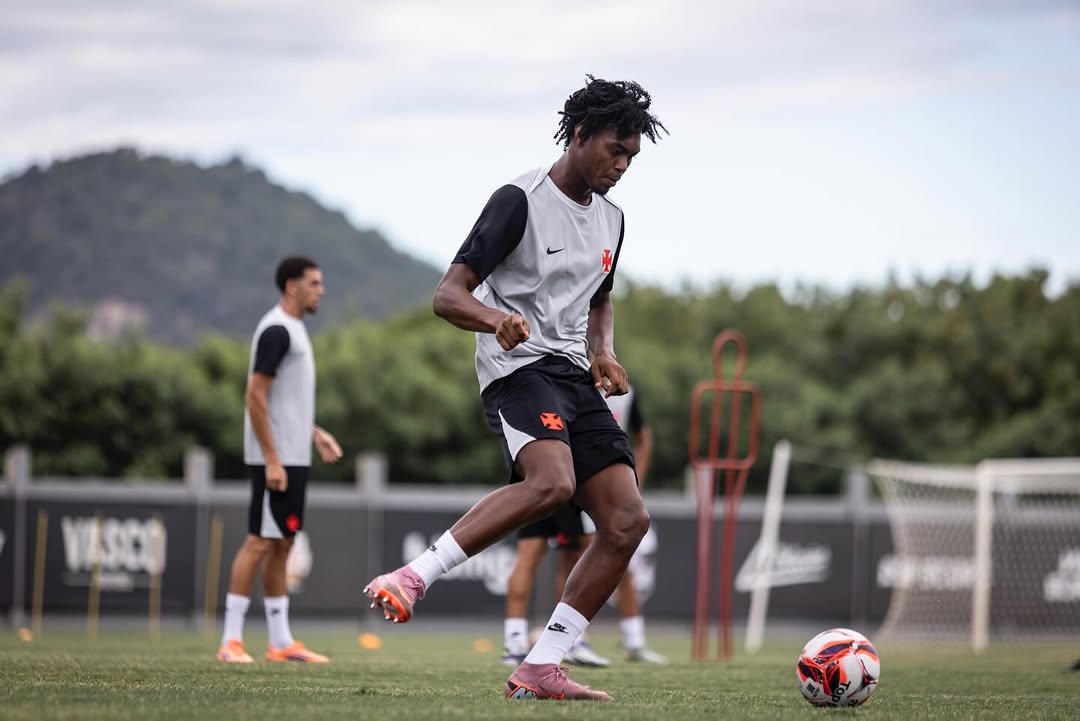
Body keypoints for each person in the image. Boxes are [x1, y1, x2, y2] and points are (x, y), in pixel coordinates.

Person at [364, 75, 667, 701]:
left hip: (573, 376)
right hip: (517, 370)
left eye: (631, 157)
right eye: (615, 149)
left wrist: (603, 351)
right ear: (578, 134)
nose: (621, 165)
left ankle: (542, 664)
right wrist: (494, 319)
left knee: (627, 521)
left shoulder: (613, 220)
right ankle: (413, 578)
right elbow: (447, 296)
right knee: (551, 482)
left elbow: (601, 300)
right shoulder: (519, 200)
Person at [217, 256, 344, 664]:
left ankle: (280, 642)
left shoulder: (294, 330)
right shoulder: (276, 330)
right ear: (292, 286)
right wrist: (272, 459)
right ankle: (231, 642)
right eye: (314, 283)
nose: (320, 290)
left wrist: (313, 431)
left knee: (282, 544)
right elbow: (254, 396)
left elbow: (283, 402)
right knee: (259, 541)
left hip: (292, 454)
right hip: (275, 459)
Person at [502, 387, 667, 666]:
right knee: (575, 556)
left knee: (556, 557)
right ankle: (567, 640)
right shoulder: (570, 380)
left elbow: (644, 437)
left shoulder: (556, 380)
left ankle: (516, 644)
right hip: (570, 477)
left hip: (544, 470)